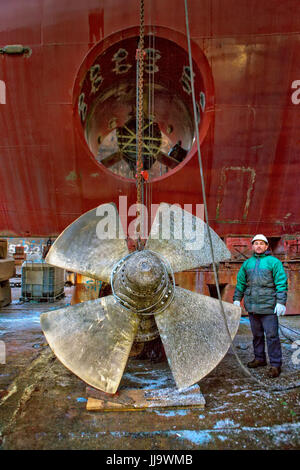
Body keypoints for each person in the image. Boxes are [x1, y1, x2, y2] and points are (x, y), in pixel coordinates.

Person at [233, 234, 288, 378]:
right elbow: (241, 283)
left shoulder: (274, 262)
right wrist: (237, 299)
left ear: (266, 246)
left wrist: (281, 302)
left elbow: (281, 283)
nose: (258, 246)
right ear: (252, 246)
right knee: (257, 335)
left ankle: (275, 365)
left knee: (272, 336)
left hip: (269, 307)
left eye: (261, 243)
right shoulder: (247, 264)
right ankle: (259, 358)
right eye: (256, 243)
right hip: (252, 307)